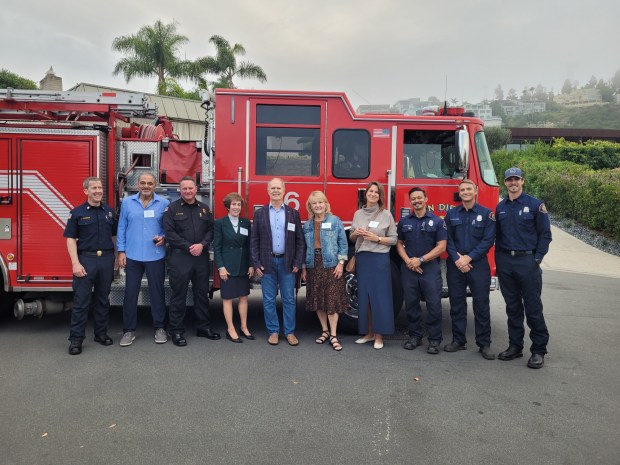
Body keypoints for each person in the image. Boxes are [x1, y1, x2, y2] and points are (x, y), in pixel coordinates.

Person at [495, 167, 552, 369]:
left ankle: (538, 350)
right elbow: (498, 236)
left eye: (516, 179)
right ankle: (515, 346)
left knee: (533, 308)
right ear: (505, 183)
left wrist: (536, 259)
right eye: (509, 180)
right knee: (513, 308)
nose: (513, 183)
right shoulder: (500, 207)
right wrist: (500, 262)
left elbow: (545, 234)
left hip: (527, 262)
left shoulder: (535, 205)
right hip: (506, 263)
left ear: (522, 181)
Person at [64, 177, 118, 355]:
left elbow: (115, 237)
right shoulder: (77, 213)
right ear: (85, 191)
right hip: (86, 261)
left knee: (103, 300)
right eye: (94, 188)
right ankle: (76, 340)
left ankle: (101, 334)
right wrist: (75, 263)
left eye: (100, 188)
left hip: (106, 260)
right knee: (81, 302)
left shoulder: (109, 212)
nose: (98, 191)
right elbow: (70, 239)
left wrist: (117, 257)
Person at [163, 176, 220, 347]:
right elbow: (169, 233)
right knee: (178, 296)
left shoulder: (204, 208)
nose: (188, 191)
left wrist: (202, 245)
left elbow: (211, 230)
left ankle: (203, 327)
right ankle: (177, 331)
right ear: (180, 190)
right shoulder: (171, 209)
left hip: (200, 258)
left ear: (196, 189)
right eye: (184, 188)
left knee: (201, 294)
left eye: (191, 188)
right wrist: (189, 246)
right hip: (180, 257)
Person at [444, 179, 496, 360]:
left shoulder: (487, 214)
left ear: (475, 191)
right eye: (462, 190)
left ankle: (484, 344)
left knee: (481, 305)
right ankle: (458, 340)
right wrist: (458, 258)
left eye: (468, 189)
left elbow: (488, 240)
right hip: (456, 264)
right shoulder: (451, 215)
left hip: (478, 265)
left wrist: (469, 257)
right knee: (457, 304)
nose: (465, 192)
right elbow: (447, 240)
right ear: (459, 193)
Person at [116, 173, 170, 346]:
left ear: (155, 185)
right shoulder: (127, 203)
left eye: (150, 183)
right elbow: (122, 226)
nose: (146, 186)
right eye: (143, 183)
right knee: (130, 293)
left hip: (155, 256)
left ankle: (160, 328)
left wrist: (164, 237)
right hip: (132, 255)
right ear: (138, 184)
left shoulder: (164, 203)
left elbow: (168, 227)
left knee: (157, 293)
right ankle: (128, 331)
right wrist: (121, 251)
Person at [250, 178, 305, 346]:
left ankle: (289, 332)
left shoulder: (292, 213)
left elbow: (299, 241)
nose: (275, 191)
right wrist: (256, 262)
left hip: (287, 263)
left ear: (284, 190)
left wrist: (297, 262)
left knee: (289, 299)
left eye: (278, 188)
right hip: (267, 263)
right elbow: (254, 240)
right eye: (272, 188)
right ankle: (273, 331)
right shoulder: (260, 214)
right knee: (268, 299)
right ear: (268, 191)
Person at [396, 187, 447, 354]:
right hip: (409, 268)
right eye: (413, 199)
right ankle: (415, 336)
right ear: (410, 201)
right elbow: (399, 243)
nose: (416, 201)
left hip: (429, 268)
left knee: (433, 305)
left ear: (426, 199)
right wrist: (408, 261)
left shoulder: (438, 221)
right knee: (411, 304)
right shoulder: (404, 222)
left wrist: (421, 260)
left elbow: (441, 246)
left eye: (419, 198)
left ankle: (434, 340)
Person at [350, 181, 398, 350]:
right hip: (363, 259)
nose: (373, 194)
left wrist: (376, 238)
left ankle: (379, 336)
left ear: (380, 196)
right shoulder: (358, 214)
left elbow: (393, 239)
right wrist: (356, 233)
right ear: (366, 193)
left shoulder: (386, 215)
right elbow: (352, 237)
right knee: (366, 298)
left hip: (379, 259)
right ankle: (369, 334)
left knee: (380, 299)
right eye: (370, 191)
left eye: (376, 192)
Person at [301, 191, 348, 351]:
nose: (318, 205)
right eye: (314, 203)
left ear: (325, 204)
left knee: (332, 300)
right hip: (313, 265)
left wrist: (341, 263)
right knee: (318, 299)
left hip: (331, 264)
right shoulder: (307, 225)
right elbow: (304, 247)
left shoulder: (335, 221)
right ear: (310, 206)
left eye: (320, 202)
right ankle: (325, 331)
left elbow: (343, 243)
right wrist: (304, 267)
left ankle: (334, 335)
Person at [212, 192, 254, 343]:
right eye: (234, 204)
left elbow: (249, 245)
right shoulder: (220, 223)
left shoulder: (246, 223)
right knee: (228, 298)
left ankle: (244, 327)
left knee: (244, 298)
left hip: (243, 265)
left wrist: (250, 264)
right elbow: (217, 247)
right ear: (227, 206)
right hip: (227, 266)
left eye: (239, 204)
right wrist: (221, 267)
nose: (236, 207)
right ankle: (230, 329)